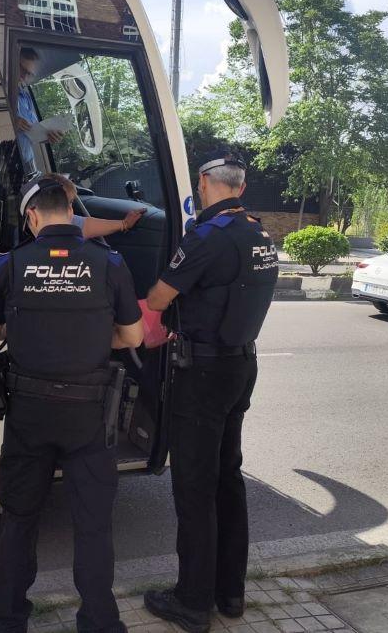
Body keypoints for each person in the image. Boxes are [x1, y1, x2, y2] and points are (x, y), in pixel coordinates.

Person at [0, 175, 144, 633]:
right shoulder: (110, 264)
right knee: (92, 523)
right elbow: (133, 337)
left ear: (32, 216)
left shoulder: (9, 265)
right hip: (89, 416)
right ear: (71, 214)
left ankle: (7, 622)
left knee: (19, 519)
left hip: (28, 415)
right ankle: (99, 621)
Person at [140, 152, 278, 633]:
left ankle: (192, 602)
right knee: (227, 478)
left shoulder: (206, 236)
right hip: (241, 365)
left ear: (204, 182)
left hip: (201, 373)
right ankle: (230, 593)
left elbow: (160, 298)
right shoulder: (260, 233)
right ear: (240, 186)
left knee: (195, 487)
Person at [45, 173, 147, 240]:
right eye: (62, 204)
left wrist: (124, 224)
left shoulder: (68, 221)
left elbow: (87, 225)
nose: (70, 210)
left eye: (71, 202)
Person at [15, 48, 65, 175]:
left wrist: (48, 136)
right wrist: (10, 123)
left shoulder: (26, 97)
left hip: (28, 163)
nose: (24, 77)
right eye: (22, 70)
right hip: (3, 164)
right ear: (12, 62)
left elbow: (33, 132)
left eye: (29, 74)